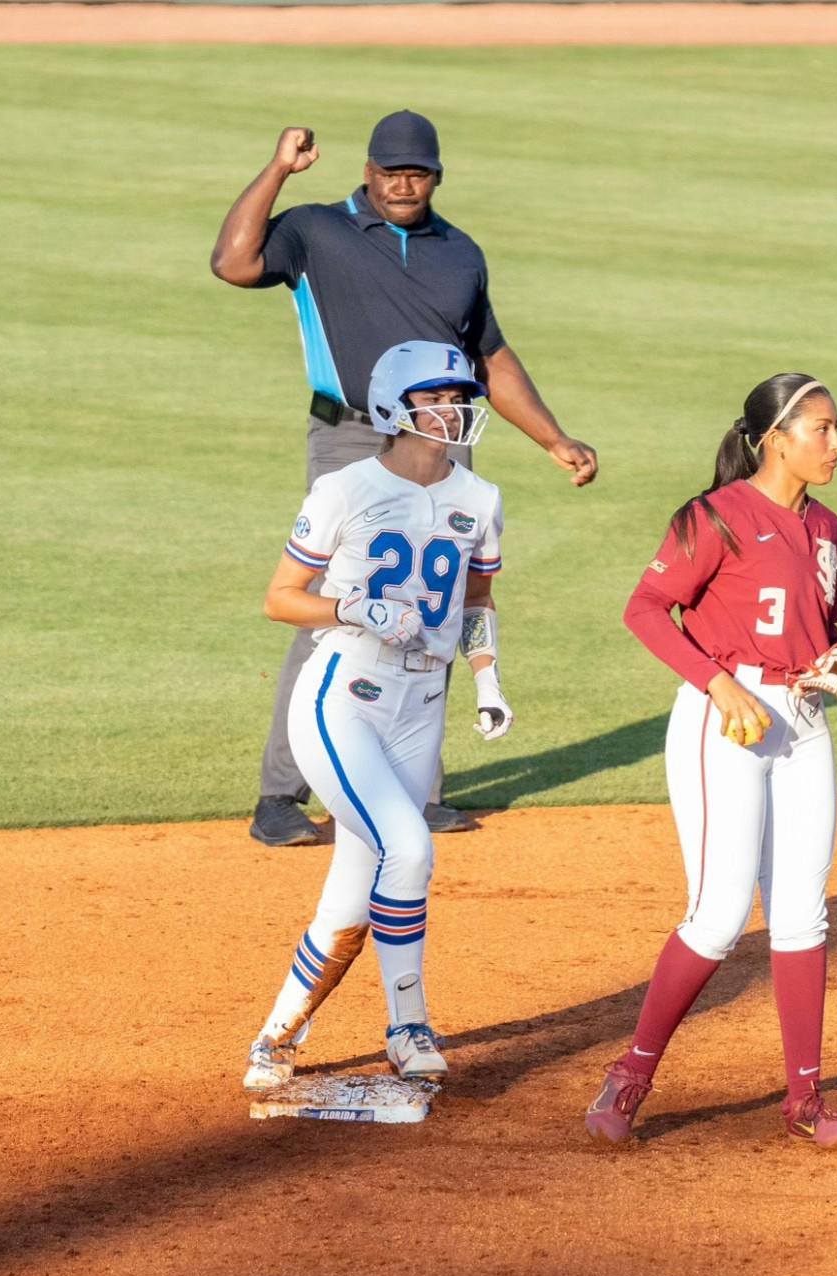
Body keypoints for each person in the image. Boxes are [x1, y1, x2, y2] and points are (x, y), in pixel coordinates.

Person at [211, 109, 597, 847]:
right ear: (367, 171)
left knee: (437, 605)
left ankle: (412, 788)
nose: (402, 184)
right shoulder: (315, 230)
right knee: (336, 604)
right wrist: (278, 169)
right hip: (353, 433)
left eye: (416, 173)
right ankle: (281, 796)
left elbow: (491, 359)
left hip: (443, 440)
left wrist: (553, 437)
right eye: (390, 172)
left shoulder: (460, 253)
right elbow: (233, 263)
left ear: (436, 176)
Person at [583, 373, 837, 1151]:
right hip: (726, 722)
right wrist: (714, 683)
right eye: (821, 429)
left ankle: (806, 1101)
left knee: (804, 912)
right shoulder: (713, 517)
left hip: (804, 722)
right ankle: (631, 1076)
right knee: (717, 915)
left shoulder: (830, 529)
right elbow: (644, 610)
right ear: (775, 437)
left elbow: (817, 634)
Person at [242, 340, 512, 1092]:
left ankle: (276, 1035)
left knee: (352, 889)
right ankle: (408, 1023)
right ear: (399, 406)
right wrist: (350, 604)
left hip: (423, 705)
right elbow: (279, 598)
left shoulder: (480, 500)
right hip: (344, 697)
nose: (455, 410)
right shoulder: (344, 489)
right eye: (437, 398)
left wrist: (488, 682)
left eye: (460, 397)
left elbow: (478, 605)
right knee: (410, 844)